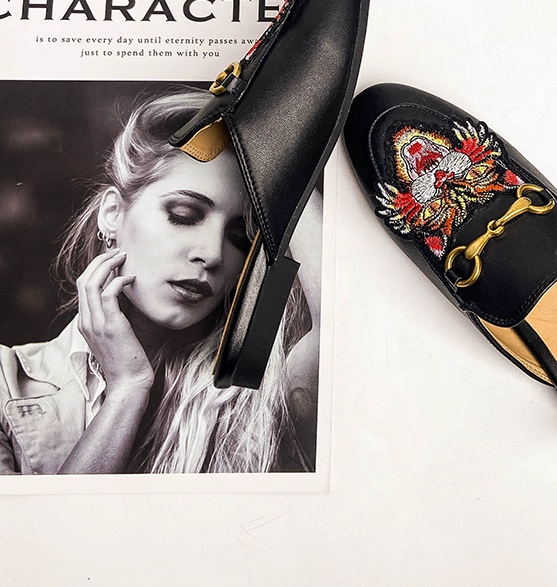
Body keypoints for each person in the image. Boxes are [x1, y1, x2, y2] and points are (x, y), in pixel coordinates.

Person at [0, 87, 320, 474]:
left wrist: (278, 152)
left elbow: (347, 316)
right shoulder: (6, 381)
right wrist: (127, 388)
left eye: (241, 238)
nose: (213, 254)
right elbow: (56, 518)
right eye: (183, 215)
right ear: (113, 214)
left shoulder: (265, 392)